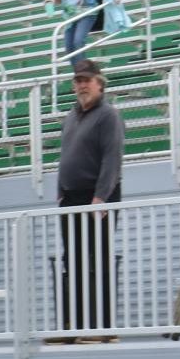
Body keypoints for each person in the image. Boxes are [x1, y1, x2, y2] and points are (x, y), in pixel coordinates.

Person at [54, 61, 124, 338]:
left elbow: (112, 158)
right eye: (78, 80)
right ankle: (73, 324)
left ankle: (102, 327)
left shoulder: (108, 116)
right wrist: (60, 191)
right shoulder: (72, 115)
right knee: (72, 260)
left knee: (98, 260)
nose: (82, 85)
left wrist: (101, 197)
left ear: (99, 83)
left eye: (87, 80)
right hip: (71, 198)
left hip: (96, 197)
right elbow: (64, 155)